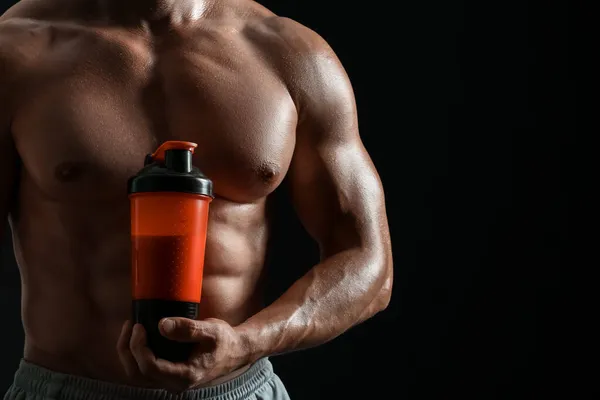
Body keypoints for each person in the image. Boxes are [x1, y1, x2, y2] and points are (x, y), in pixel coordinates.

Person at [0, 0, 393, 398]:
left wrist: (249, 343)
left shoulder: (289, 54)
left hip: (241, 389)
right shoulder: (16, 52)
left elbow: (368, 259)